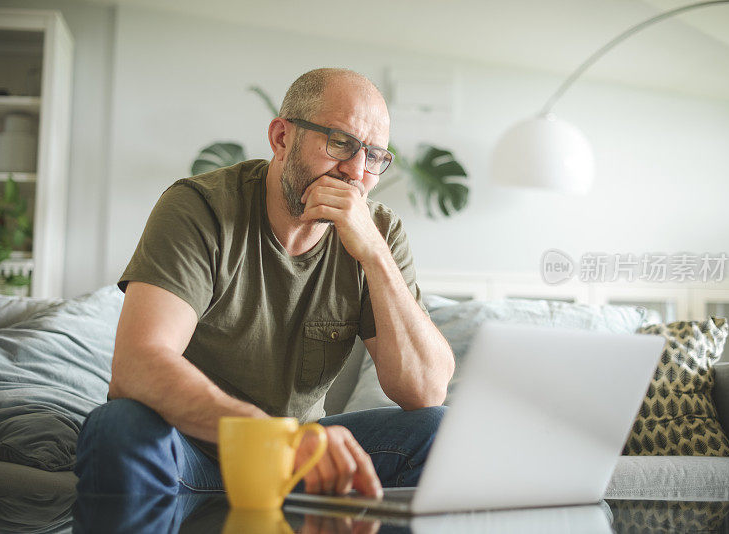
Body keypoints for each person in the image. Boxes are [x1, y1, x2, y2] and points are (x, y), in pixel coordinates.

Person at [75, 68, 455, 497]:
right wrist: (271, 437)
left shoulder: (379, 233)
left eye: (373, 156)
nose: (355, 170)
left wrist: (374, 255)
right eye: (340, 143)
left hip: (299, 464)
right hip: (188, 449)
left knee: (438, 431)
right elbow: (137, 366)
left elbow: (425, 392)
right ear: (281, 138)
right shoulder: (199, 208)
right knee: (117, 427)